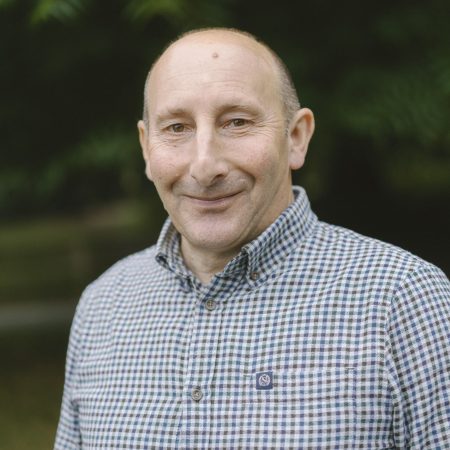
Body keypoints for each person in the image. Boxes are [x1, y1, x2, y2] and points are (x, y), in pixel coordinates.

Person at [55, 28, 450, 449]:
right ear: (146, 147)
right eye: (176, 127)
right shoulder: (102, 306)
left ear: (296, 138)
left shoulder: (405, 301)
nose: (205, 166)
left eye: (237, 122)